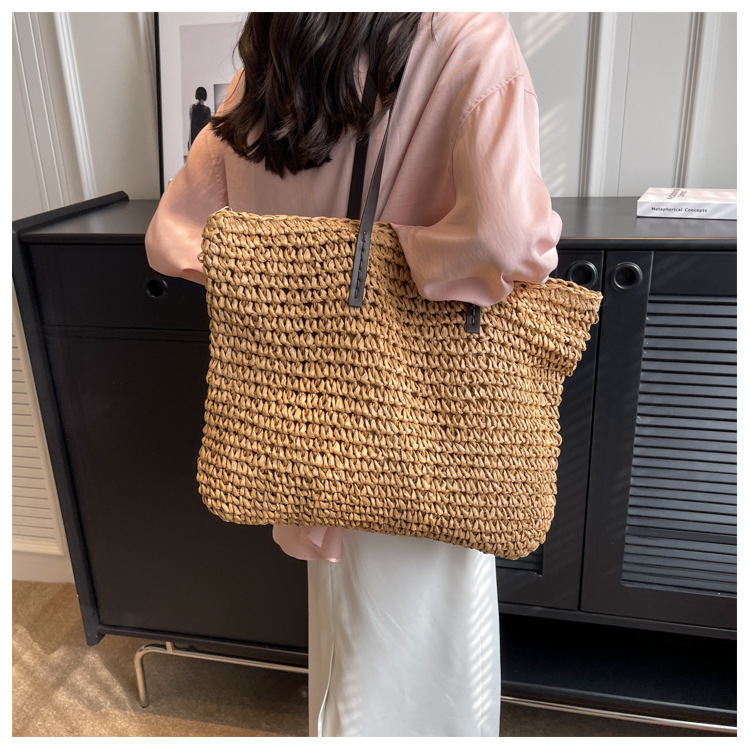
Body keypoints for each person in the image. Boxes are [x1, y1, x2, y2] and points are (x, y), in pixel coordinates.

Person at [145, 12, 561, 737]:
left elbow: (172, 236)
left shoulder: (273, 58)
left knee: (345, 658)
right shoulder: (466, 35)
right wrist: (406, 269)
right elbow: (506, 240)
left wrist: (297, 280)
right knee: (422, 682)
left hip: (306, 428)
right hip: (429, 431)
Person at [188, 86, 211, 150]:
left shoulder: (192, 108)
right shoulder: (207, 109)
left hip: (195, 137)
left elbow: (192, 126)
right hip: (203, 137)